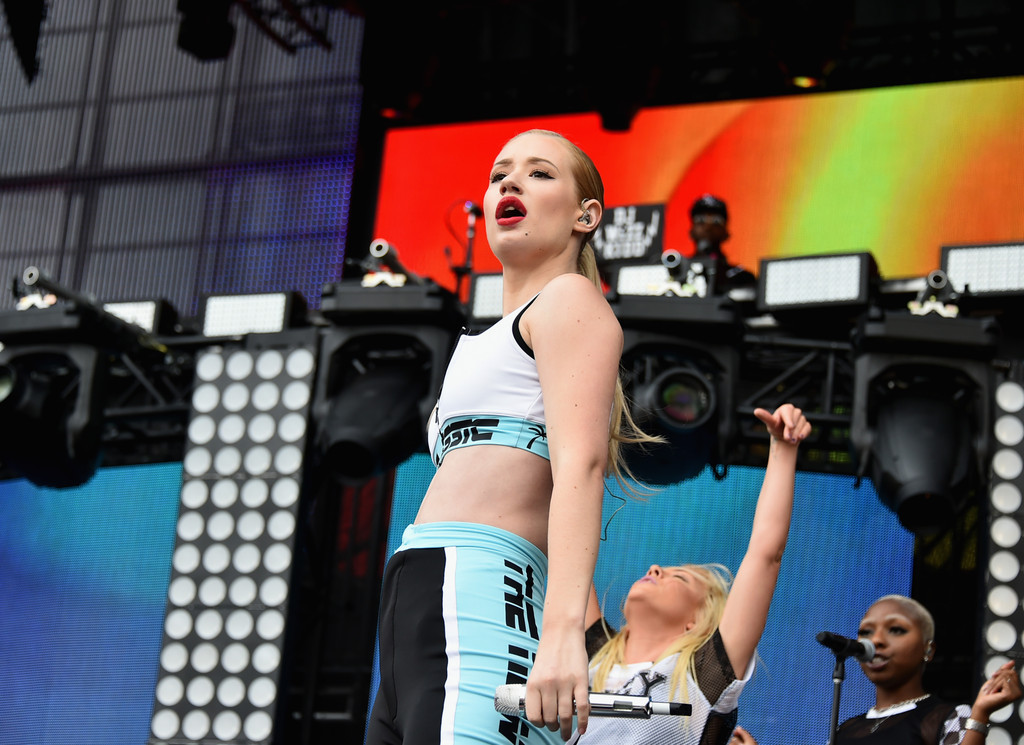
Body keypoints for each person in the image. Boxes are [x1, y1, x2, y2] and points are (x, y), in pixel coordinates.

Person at [364, 129, 657, 745]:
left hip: (482, 587)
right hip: (419, 592)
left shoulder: (569, 299)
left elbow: (580, 467)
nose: (510, 182)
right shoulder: (482, 341)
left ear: (586, 216)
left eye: (540, 172)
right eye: (499, 173)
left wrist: (562, 634)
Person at [571, 403, 812, 745]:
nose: (654, 569)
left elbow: (765, 555)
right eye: (659, 570)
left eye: (679, 578)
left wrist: (783, 448)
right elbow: (566, 543)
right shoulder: (593, 656)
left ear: (696, 622)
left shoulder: (703, 677)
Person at [833, 594, 1022, 743]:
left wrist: (980, 714)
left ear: (928, 650)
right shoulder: (844, 729)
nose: (876, 640)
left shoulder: (949, 717)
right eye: (866, 632)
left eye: (896, 630)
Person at [686, 194, 755, 293]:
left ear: (726, 234)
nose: (708, 226)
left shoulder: (741, 278)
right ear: (691, 232)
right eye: (700, 220)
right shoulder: (677, 274)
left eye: (716, 221)